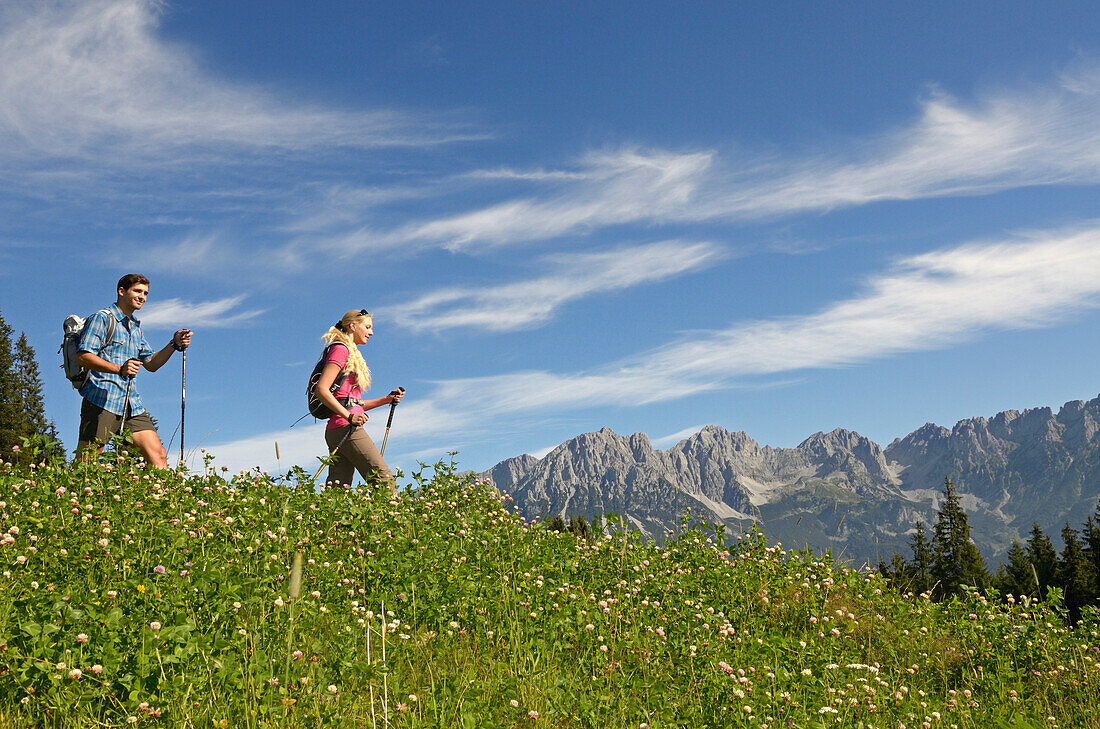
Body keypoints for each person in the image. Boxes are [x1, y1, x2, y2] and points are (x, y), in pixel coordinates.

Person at [76, 274, 191, 468]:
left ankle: (164, 498)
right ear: (122, 291)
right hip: (101, 400)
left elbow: (151, 364)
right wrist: (119, 369)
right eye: (137, 291)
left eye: (145, 293)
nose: (142, 297)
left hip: (131, 405)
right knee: (86, 463)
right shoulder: (102, 318)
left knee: (158, 455)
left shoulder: (135, 328)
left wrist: (174, 344)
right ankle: (70, 496)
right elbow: (84, 356)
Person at [314, 309, 403, 489]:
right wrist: (349, 417)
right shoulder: (341, 349)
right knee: (385, 481)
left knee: (338, 490)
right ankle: (385, 517)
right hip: (346, 427)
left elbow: (353, 404)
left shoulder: (350, 352)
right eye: (368, 327)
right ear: (353, 326)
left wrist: (386, 400)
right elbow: (321, 389)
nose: (371, 332)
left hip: (338, 428)